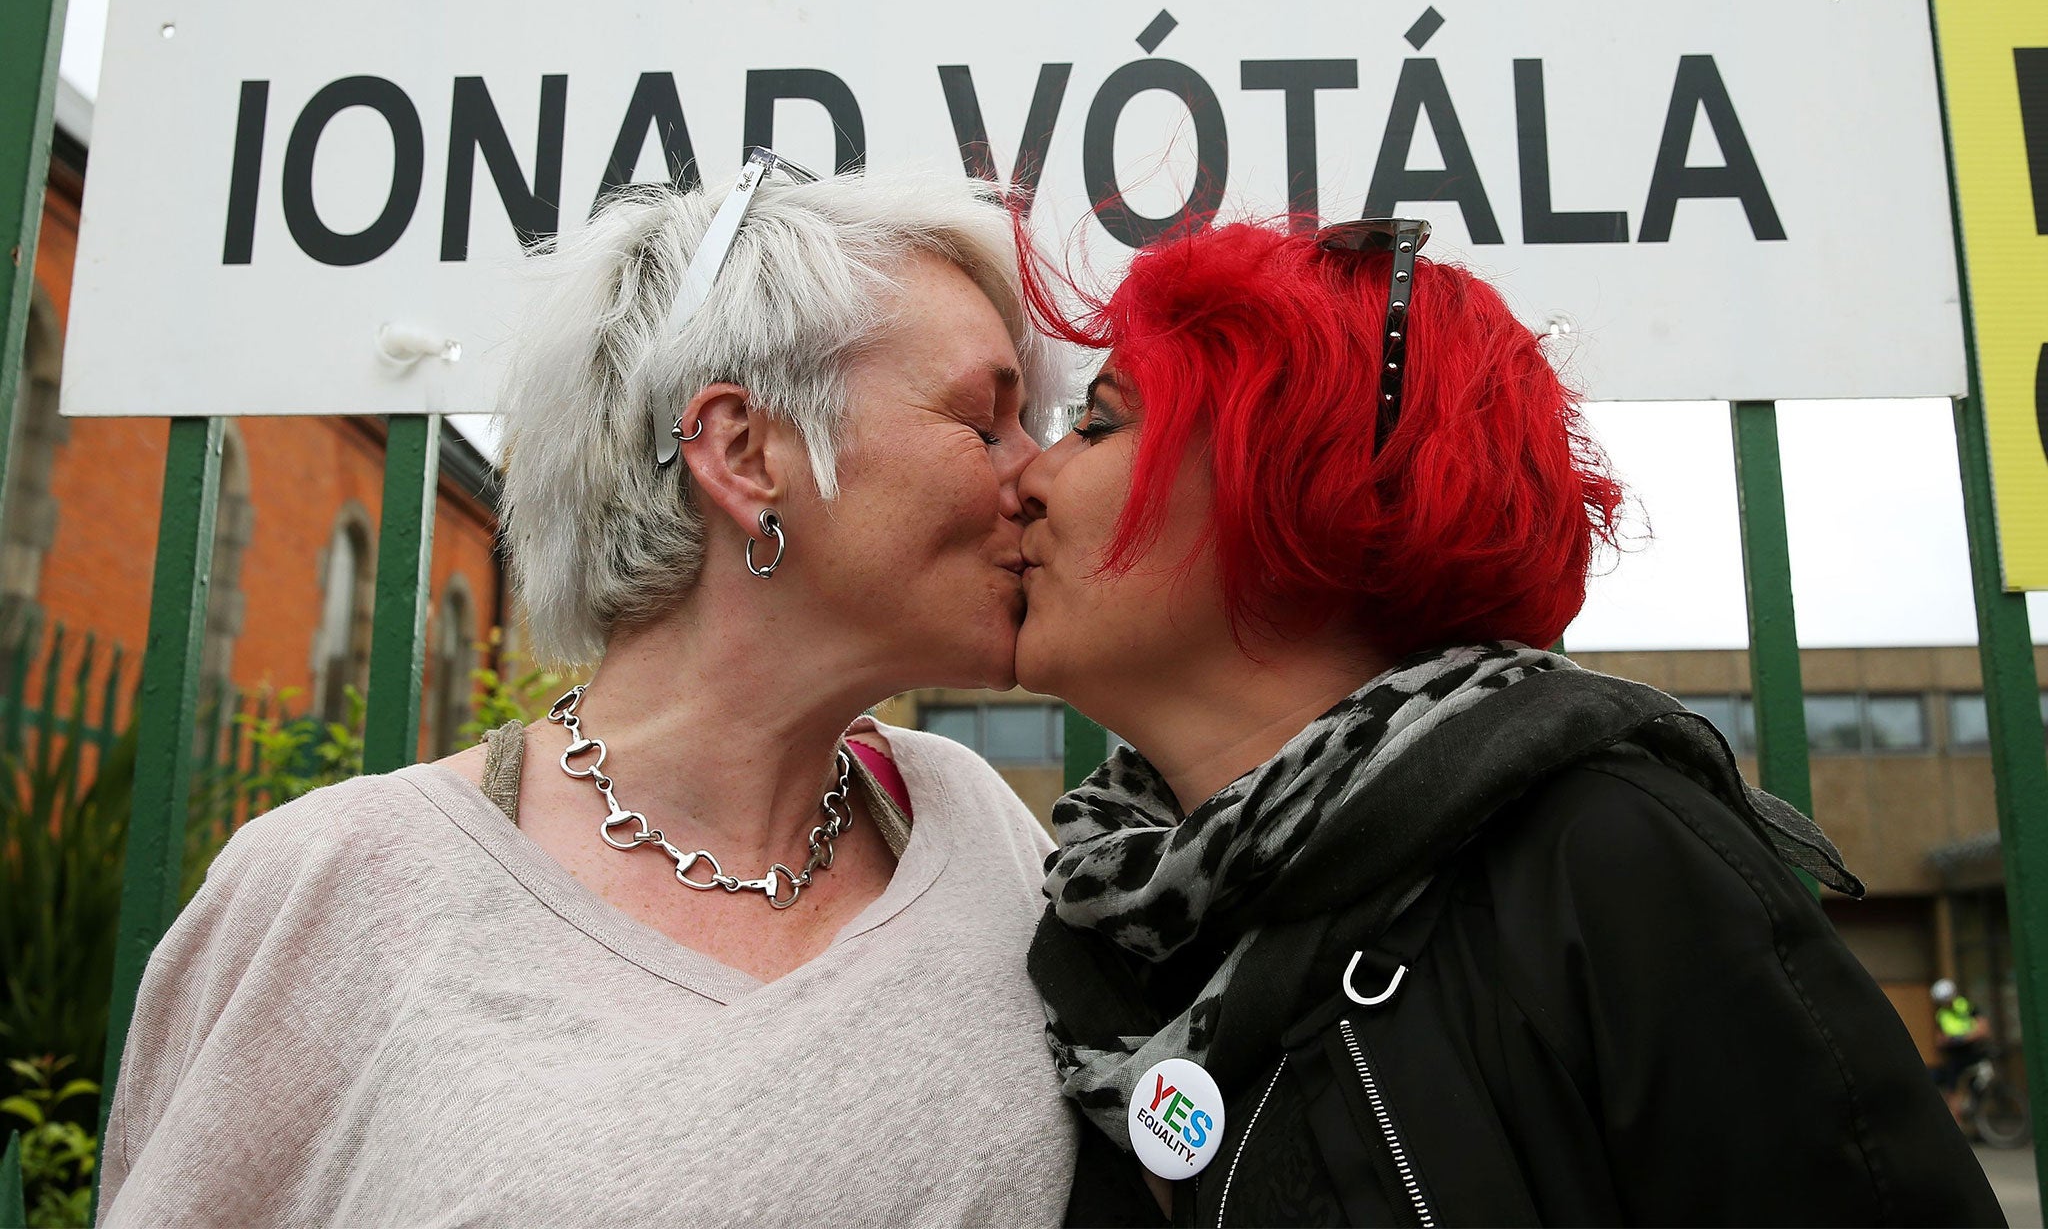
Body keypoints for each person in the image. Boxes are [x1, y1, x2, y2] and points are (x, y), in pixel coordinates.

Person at [98, 155, 1078, 1225]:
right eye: (986, 422)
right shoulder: (336, 889)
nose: (1035, 474)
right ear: (744, 453)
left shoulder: (974, 825)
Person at [1012, 216, 2001, 1225]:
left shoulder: (1601, 860)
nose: (1027, 480)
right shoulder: (1084, 924)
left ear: (1292, 477)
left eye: (1096, 424)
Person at [1932, 977, 1994, 1125]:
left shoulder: (1966, 1006)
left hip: (1974, 1052)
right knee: (1952, 1089)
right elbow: (1940, 1039)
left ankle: (1975, 1107)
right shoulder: (1941, 1015)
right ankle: (1958, 1121)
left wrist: (1962, 1038)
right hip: (1956, 1056)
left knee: (1985, 1076)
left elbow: (1984, 1028)